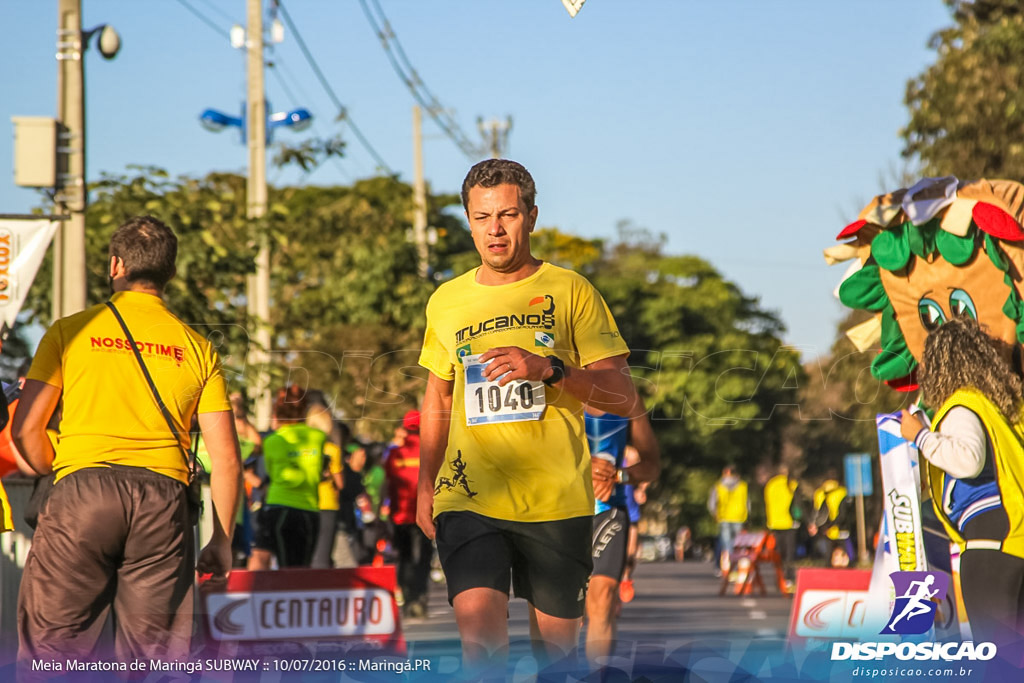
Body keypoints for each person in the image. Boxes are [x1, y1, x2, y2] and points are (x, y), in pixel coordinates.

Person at [417, 159, 647, 671]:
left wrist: (549, 369)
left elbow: (621, 396)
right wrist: (424, 484)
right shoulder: (447, 301)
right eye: (481, 217)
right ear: (468, 221)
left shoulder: (571, 291)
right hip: (469, 496)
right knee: (481, 647)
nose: (495, 230)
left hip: (556, 500)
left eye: (508, 215)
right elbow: (436, 397)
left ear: (532, 216)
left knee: (557, 662)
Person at [13, 215, 241, 673]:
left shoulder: (70, 330)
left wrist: (57, 468)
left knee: (56, 649)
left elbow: (25, 431)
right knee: (156, 657)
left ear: (115, 265)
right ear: (169, 273)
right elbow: (227, 460)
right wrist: (221, 540)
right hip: (163, 501)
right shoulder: (197, 347)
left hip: (81, 493)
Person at [900, 317, 1024, 644]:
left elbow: (968, 460)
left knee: (998, 659)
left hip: (992, 548)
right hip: (1016, 543)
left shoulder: (963, 405)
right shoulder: (1001, 410)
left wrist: (921, 437)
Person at [583, 407, 660, 666]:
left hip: (608, 510)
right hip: (561, 512)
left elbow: (651, 466)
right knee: (565, 614)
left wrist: (618, 476)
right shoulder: (553, 382)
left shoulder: (627, 396)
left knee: (602, 599)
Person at [248, 385, 327, 569]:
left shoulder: (271, 441)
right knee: (303, 568)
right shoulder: (318, 437)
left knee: (284, 567)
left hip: (279, 506)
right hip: (309, 508)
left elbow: (272, 472)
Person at [384, 409, 433, 618]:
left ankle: (408, 600)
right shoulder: (431, 451)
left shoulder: (395, 454)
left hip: (400, 516)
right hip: (425, 514)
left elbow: (388, 485)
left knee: (404, 558)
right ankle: (420, 599)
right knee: (423, 557)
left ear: (404, 428)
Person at [764, 465, 800, 589]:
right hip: (789, 523)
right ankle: (789, 577)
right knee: (790, 552)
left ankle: (779, 578)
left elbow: (767, 503)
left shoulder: (770, 485)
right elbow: (797, 503)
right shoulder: (792, 484)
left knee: (780, 553)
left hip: (775, 523)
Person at [708, 465, 748, 576]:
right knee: (737, 544)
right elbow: (747, 503)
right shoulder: (742, 486)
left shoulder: (718, 486)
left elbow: (712, 504)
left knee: (726, 545)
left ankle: (725, 567)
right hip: (739, 517)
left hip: (724, 517)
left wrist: (715, 514)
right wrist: (747, 516)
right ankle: (736, 568)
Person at [808, 471, 852, 566]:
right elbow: (843, 513)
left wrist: (814, 525)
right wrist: (833, 525)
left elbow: (815, 511)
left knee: (828, 557)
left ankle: (828, 575)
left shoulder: (819, 493)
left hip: (825, 529)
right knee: (847, 557)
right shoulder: (842, 492)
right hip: (841, 528)